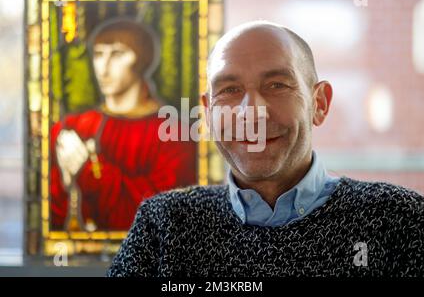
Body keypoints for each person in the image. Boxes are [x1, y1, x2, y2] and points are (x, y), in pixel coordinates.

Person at [107, 21, 424, 277]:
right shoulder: (163, 224)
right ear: (207, 113)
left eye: (277, 86)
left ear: (320, 104)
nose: (250, 112)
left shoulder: (400, 220)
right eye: (229, 90)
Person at [50, 20, 196, 231]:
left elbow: (157, 215)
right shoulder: (75, 127)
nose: (103, 68)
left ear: (141, 60)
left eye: (117, 54)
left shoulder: (173, 134)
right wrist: (66, 182)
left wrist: (89, 171)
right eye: (99, 54)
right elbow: (52, 218)